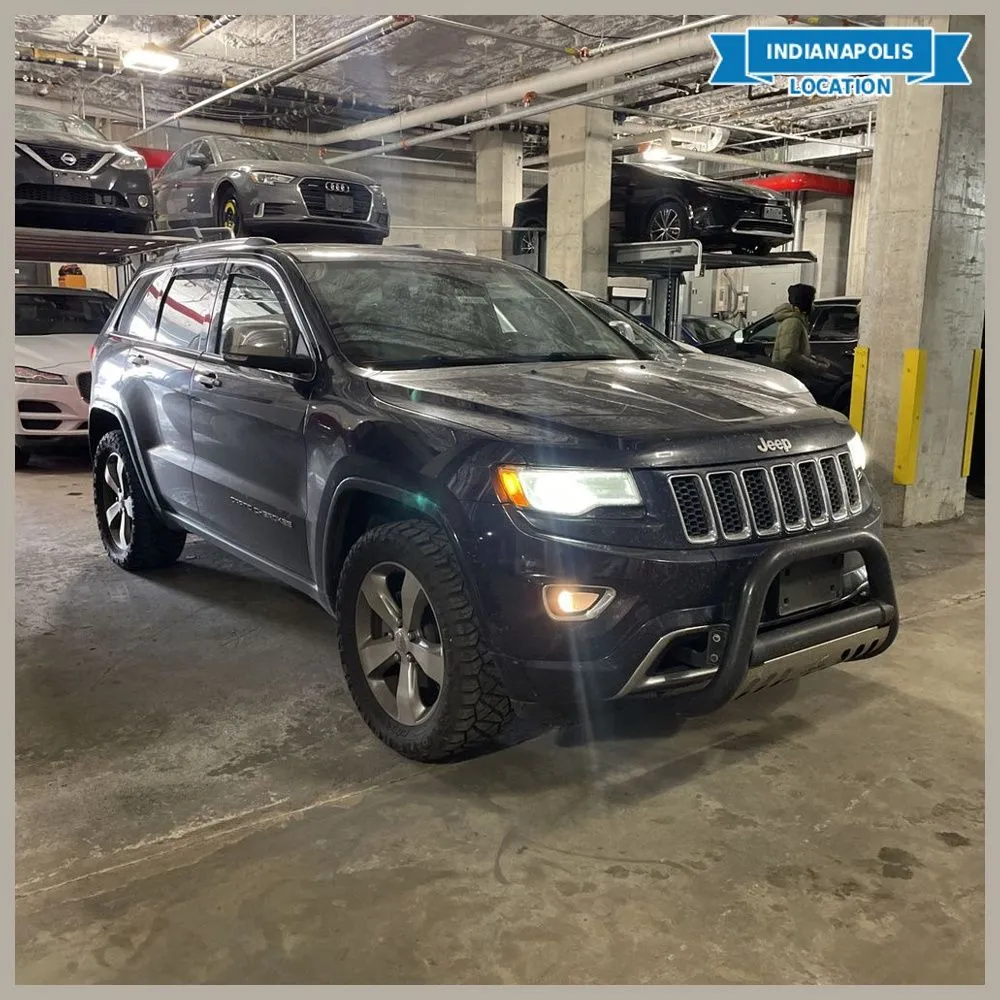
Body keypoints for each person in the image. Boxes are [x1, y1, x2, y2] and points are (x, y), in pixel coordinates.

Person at [770, 283, 816, 366]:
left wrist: (814, 359)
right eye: (812, 301)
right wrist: (814, 365)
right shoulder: (793, 322)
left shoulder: (798, 320)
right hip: (790, 374)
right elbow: (788, 355)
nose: (813, 305)